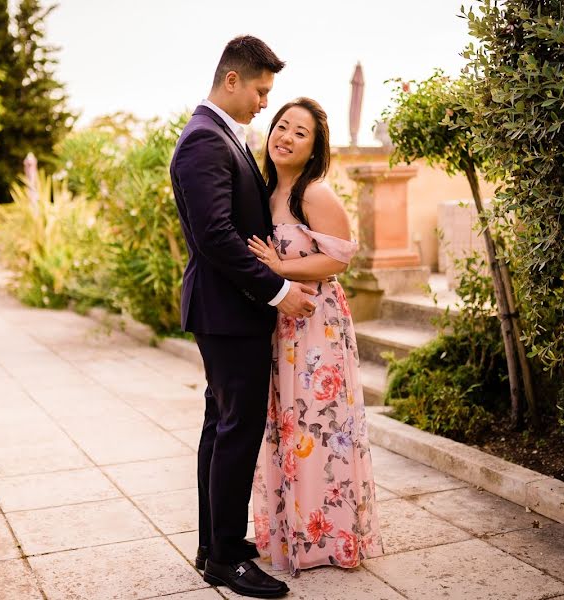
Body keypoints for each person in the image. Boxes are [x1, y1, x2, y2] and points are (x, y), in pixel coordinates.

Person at [170, 36, 318, 599]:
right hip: (228, 312)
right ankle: (226, 557)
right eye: (260, 91)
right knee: (237, 430)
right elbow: (216, 239)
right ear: (232, 80)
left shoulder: (221, 136)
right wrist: (280, 291)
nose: (264, 103)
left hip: (228, 311)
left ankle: (215, 544)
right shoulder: (204, 141)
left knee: (221, 426)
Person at [247, 97, 385, 576]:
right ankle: (294, 532)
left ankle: (328, 537)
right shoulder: (263, 191)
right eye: (281, 126)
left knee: (320, 428)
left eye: (299, 132)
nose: (285, 136)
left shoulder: (314, 193)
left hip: (316, 328)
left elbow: (340, 259)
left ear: (314, 148)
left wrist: (281, 268)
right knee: (289, 428)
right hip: (280, 327)